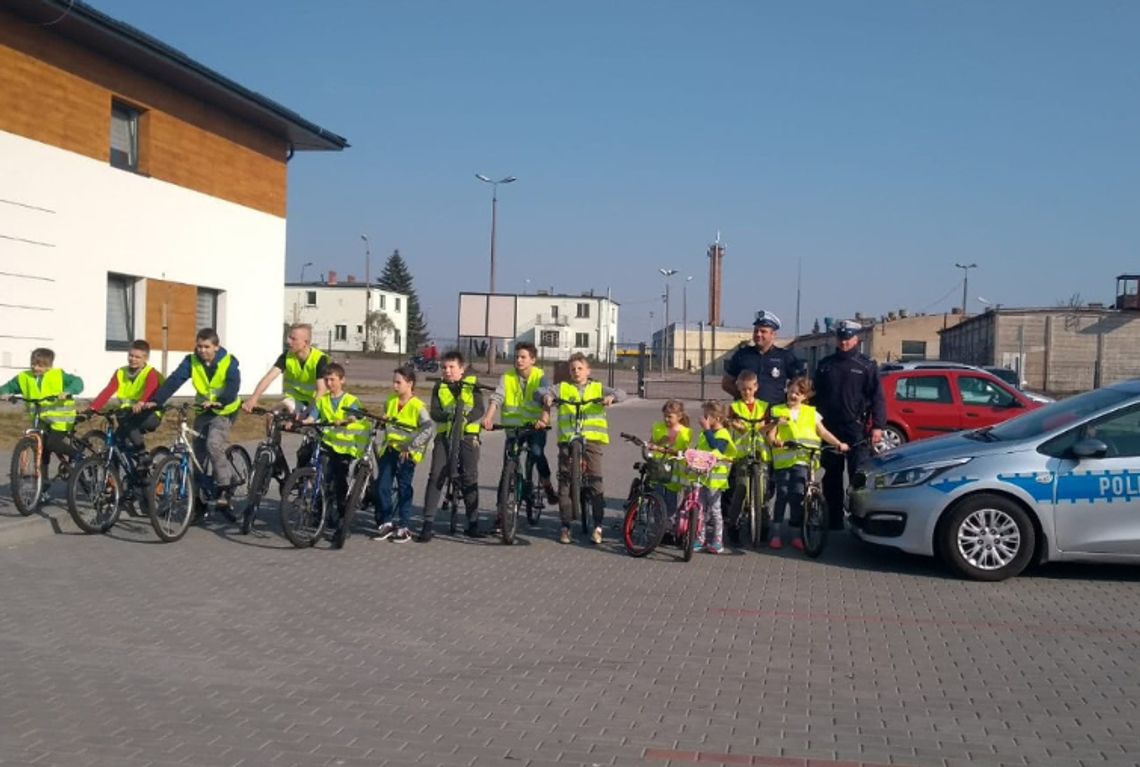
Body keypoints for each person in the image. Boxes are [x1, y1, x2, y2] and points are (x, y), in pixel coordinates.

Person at [142, 328, 242, 506]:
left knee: (213, 444)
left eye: (206, 347)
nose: (202, 350)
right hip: (203, 410)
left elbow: (233, 385)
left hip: (225, 410)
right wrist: (156, 400)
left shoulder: (229, 362)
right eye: (199, 346)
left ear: (216, 347)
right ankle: (197, 497)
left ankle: (226, 486)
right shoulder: (191, 361)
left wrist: (220, 401)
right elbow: (174, 380)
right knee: (197, 452)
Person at [536, 352, 626, 545]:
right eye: (572, 369)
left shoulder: (597, 387)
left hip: (592, 440)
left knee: (595, 481)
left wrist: (611, 397)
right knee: (565, 482)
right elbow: (541, 392)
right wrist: (547, 397)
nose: (576, 372)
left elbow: (622, 393)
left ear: (588, 371)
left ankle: (598, 526)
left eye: (580, 368)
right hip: (568, 441)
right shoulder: (563, 388)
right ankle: (565, 526)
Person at [812, 320, 886, 530]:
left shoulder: (866, 366)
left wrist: (878, 426)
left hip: (856, 430)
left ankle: (857, 517)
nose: (844, 342)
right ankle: (834, 520)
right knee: (832, 477)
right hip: (830, 430)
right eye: (841, 338)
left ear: (856, 339)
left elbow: (877, 398)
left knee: (858, 477)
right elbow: (813, 396)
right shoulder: (825, 365)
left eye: (848, 338)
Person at [767, 376, 848, 550]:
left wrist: (838, 443)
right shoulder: (777, 410)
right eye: (791, 391)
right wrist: (774, 441)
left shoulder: (812, 413)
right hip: (784, 460)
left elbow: (823, 433)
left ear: (805, 396)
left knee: (797, 496)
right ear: (786, 391)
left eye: (798, 393)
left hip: (804, 460)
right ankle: (776, 533)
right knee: (782, 493)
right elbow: (771, 434)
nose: (793, 396)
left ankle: (796, 534)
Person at [482, 342, 559, 509]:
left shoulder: (540, 376)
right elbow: (497, 398)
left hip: (535, 426)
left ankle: (547, 485)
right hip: (513, 427)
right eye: (516, 357)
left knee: (537, 453)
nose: (519, 360)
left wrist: (543, 421)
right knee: (508, 465)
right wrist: (488, 418)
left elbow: (547, 399)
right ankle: (501, 513)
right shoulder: (507, 377)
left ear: (533, 360)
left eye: (523, 357)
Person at [419, 350, 484, 542]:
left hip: (467, 436)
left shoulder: (472, 385)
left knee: (469, 476)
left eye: (451, 367)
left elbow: (479, 408)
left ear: (461, 369)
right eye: (444, 367)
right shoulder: (439, 386)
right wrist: (449, 416)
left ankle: (473, 523)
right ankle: (428, 523)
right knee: (436, 475)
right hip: (445, 436)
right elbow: (435, 412)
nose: (447, 371)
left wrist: (465, 417)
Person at [302, 363, 369, 536]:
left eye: (333, 379)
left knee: (339, 481)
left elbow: (356, 415)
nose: (329, 383)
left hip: (345, 448)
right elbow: (312, 416)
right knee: (323, 477)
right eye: (326, 380)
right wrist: (303, 422)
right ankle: (321, 512)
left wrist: (347, 420)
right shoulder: (323, 400)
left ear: (342, 380)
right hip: (328, 445)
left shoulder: (350, 400)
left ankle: (342, 517)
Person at [0, 347, 84, 483]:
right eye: (33, 364)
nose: (35, 367)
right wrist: (4, 393)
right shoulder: (24, 377)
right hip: (41, 419)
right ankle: (42, 484)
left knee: (52, 444)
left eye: (40, 365)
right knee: (41, 448)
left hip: (60, 420)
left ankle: (78, 455)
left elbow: (78, 382)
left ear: (49, 366)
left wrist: (68, 391)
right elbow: (8, 387)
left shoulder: (58, 374)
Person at [373, 365, 434, 543]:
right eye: (393, 382)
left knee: (404, 488)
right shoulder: (390, 401)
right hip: (390, 450)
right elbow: (386, 420)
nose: (394, 386)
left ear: (410, 384)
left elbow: (428, 429)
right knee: (382, 486)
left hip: (407, 454)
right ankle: (387, 522)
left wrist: (410, 446)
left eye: (398, 382)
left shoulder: (417, 406)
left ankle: (405, 525)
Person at [87, 340, 164, 463]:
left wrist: (141, 402)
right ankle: (113, 479)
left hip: (150, 415)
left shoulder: (150, 373)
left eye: (137, 357)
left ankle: (142, 454)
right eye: (131, 355)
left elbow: (151, 388)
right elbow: (108, 390)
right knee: (116, 445)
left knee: (129, 425)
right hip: (128, 414)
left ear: (146, 358)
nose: (133, 359)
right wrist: (93, 407)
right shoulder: (121, 372)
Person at [724, 369, 771, 544]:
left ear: (756, 387)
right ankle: (733, 525)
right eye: (743, 389)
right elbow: (730, 423)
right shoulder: (735, 407)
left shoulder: (763, 406)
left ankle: (764, 525)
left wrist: (771, 425)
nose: (746, 393)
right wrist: (735, 424)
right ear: (738, 388)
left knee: (762, 491)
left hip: (760, 452)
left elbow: (766, 427)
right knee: (741, 489)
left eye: (750, 389)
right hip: (742, 453)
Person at [722, 310, 804, 405]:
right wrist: (744, 397)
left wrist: (789, 399)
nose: (758, 334)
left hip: (774, 411)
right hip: (746, 413)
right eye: (756, 331)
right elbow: (726, 383)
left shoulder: (784, 356)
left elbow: (801, 384)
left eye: (763, 331)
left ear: (773, 335)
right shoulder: (742, 355)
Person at [691, 401, 735, 554]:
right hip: (702, 477)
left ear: (716, 418)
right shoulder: (704, 434)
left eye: (706, 416)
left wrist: (707, 430)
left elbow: (716, 447)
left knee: (715, 510)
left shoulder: (723, 434)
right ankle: (699, 538)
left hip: (715, 480)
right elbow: (700, 449)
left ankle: (717, 540)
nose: (703, 419)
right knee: (700, 509)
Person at [649, 399, 691, 522]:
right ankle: (658, 525)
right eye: (665, 416)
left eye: (669, 417)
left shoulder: (685, 432)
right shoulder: (658, 427)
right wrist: (654, 445)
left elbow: (684, 451)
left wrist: (662, 449)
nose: (666, 419)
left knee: (672, 501)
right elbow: (651, 443)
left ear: (679, 417)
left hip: (675, 471)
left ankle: (670, 524)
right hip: (660, 468)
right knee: (658, 497)